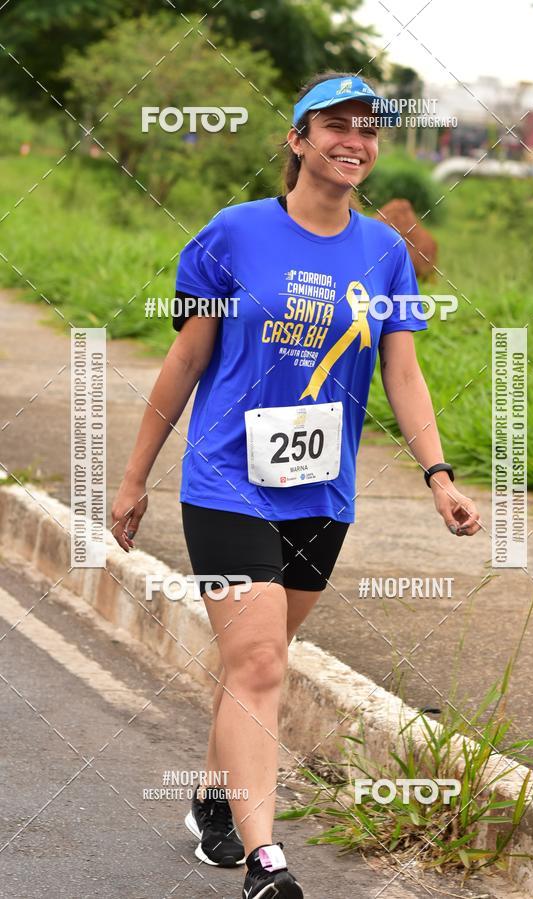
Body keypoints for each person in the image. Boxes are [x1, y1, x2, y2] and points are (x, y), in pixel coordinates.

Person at [111, 71, 481, 899]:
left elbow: (404, 373)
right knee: (261, 665)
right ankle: (263, 861)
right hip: (225, 480)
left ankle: (214, 796)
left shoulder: (384, 252)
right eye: (336, 125)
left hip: (322, 492)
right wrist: (133, 476)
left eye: (369, 129)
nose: (355, 140)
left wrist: (438, 474)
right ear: (298, 139)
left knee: (260, 661)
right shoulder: (233, 234)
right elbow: (186, 359)